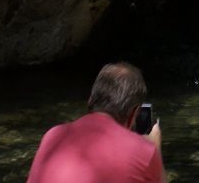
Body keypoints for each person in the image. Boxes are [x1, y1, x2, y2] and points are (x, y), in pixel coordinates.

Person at [26, 61, 164, 183]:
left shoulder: (52, 137)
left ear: (91, 100)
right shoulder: (144, 151)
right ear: (134, 113)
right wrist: (155, 149)